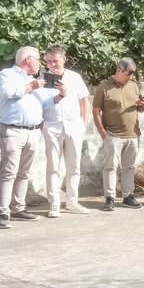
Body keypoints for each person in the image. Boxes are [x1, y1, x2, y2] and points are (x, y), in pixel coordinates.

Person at [0, 46, 50, 228]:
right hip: (13, 131)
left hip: (32, 131)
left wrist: (60, 95)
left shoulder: (33, 80)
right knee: (8, 172)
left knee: (24, 173)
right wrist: (30, 87)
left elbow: (45, 102)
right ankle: (3, 212)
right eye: (38, 59)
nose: (40, 63)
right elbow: (8, 92)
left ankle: (18, 208)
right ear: (28, 59)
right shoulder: (7, 75)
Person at [41, 45, 91, 217]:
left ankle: (72, 201)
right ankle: (54, 203)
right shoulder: (42, 80)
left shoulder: (74, 77)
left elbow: (84, 100)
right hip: (52, 126)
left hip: (73, 126)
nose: (52, 64)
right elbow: (39, 103)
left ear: (64, 59)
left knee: (74, 165)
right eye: (49, 61)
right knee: (53, 166)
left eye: (55, 60)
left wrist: (83, 123)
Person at [92, 57, 144, 211]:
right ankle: (110, 198)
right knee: (110, 167)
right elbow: (96, 111)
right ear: (119, 70)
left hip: (132, 134)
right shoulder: (103, 87)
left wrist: (142, 105)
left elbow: (140, 108)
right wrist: (102, 132)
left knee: (129, 167)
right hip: (113, 134)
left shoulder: (133, 86)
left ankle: (128, 195)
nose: (131, 76)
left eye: (133, 73)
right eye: (129, 73)